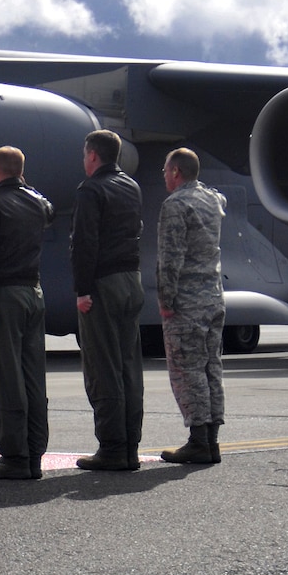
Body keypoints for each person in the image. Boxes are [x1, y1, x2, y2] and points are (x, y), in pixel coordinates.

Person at [0, 146, 54, 480]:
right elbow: (48, 208)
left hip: (4, 295)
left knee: (4, 377)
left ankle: (14, 455)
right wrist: (23, 183)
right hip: (34, 292)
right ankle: (34, 451)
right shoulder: (37, 203)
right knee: (33, 375)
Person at [71, 128, 145, 471]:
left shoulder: (91, 189)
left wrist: (82, 290)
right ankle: (130, 444)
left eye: (85, 154)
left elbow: (85, 242)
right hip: (131, 279)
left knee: (103, 367)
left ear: (93, 155)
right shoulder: (131, 186)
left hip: (103, 283)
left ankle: (112, 447)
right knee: (129, 365)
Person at [156, 147, 227, 464]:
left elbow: (171, 258)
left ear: (175, 172)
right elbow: (220, 201)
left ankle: (198, 439)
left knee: (187, 370)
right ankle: (211, 441)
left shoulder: (176, 205)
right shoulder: (212, 199)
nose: (163, 176)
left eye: (165, 170)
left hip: (187, 301)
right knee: (212, 367)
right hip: (212, 295)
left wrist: (166, 298)